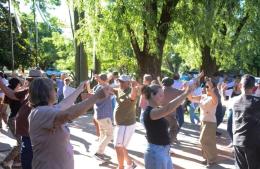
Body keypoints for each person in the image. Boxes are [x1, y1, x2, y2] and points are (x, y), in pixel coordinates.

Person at [28, 78, 111, 169]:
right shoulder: (41, 112)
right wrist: (96, 96)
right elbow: (69, 114)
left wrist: (79, 89)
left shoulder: (46, 109)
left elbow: (65, 104)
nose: (56, 91)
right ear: (46, 93)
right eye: (54, 89)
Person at [142, 82, 194, 169]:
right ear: (152, 95)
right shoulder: (150, 112)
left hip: (164, 151)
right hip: (156, 153)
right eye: (161, 95)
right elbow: (168, 108)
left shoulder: (157, 110)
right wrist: (185, 93)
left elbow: (168, 113)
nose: (163, 98)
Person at [0, 69, 42, 169]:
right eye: (31, 80)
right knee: (23, 148)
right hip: (25, 131)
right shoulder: (27, 91)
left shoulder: (42, 94)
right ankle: (13, 163)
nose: (31, 83)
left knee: (24, 149)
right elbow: (11, 94)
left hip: (32, 132)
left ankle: (14, 163)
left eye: (33, 81)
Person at [219, 74, 260, 169]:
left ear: (240, 85)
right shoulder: (258, 102)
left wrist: (222, 93)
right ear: (253, 87)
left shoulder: (234, 100)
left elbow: (223, 102)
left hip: (237, 141)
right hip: (253, 142)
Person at [188, 77, 218, 167]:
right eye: (206, 86)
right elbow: (191, 98)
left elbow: (214, 98)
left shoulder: (215, 98)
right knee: (206, 141)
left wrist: (210, 87)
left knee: (204, 140)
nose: (206, 88)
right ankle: (207, 158)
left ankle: (211, 159)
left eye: (208, 86)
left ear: (213, 88)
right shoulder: (203, 96)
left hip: (210, 122)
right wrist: (190, 89)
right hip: (203, 121)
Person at [113, 75, 138, 169]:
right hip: (120, 124)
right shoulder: (119, 90)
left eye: (123, 82)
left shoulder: (131, 91)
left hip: (126, 124)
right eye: (120, 81)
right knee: (121, 146)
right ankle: (130, 163)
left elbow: (132, 97)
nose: (120, 83)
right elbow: (111, 89)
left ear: (128, 83)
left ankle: (121, 167)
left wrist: (134, 88)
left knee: (118, 146)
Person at [92, 74, 113, 161]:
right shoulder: (105, 88)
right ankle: (99, 153)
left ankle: (101, 152)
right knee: (110, 135)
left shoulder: (97, 87)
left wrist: (101, 80)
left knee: (103, 134)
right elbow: (107, 87)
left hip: (98, 115)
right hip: (104, 116)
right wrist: (105, 80)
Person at [161, 77, 183, 144]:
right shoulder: (175, 91)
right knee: (174, 129)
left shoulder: (160, 90)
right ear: (172, 83)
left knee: (162, 129)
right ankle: (168, 143)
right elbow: (185, 93)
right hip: (171, 114)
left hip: (160, 113)